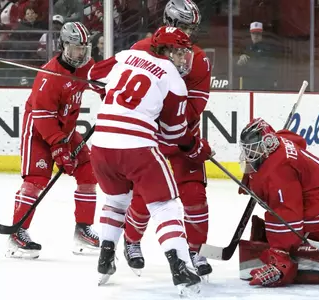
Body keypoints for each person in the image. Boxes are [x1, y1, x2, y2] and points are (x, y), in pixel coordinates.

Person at [87, 26, 212, 295]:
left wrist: (112, 94)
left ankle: (105, 258)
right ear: (165, 50)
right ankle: (180, 268)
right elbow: (174, 133)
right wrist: (196, 146)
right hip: (136, 147)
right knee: (165, 204)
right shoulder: (174, 80)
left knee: (116, 201)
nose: (183, 59)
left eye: (185, 53)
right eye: (178, 53)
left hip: (101, 145)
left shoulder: (125, 56)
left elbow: (92, 76)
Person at [123, 0, 213, 277]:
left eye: (192, 28)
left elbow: (195, 108)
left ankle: (195, 251)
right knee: (144, 199)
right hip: (150, 142)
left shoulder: (198, 59)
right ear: (170, 22)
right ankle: (131, 241)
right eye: (184, 26)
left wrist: (171, 121)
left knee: (195, 197)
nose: (189, 34)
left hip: (184, 140)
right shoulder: (139, 50)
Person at [237, 118, 319, 287]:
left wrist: (280, 255)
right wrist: (253, 175)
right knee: (276, 226)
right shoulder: (280, 140)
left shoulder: (277, 171)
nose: (249, 154)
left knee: (280, 222)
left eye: (254, 148)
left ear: (267, 144)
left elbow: (287, 214)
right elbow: (298, 140)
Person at [7, 21, 99, 259]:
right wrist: (59, 150)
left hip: (66, 131)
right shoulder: (49, 76)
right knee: (36, 180)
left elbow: (102, 81)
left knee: (88, 172)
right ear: (63, 46)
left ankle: (83, 230)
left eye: (84, 49)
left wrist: (113, 91)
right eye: (75, 48)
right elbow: (43, 117)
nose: (80, 53)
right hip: (39, 131)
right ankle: (17, 234)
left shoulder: (86, 66)